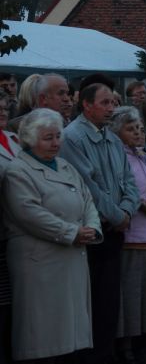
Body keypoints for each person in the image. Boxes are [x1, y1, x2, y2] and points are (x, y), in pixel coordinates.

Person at [3, 108, 103, 363]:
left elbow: (87, 199)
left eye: (58, 136)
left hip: (70, 257)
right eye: (48, 138)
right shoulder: (18, 171)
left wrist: (92, 226)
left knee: (71, 332)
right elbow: (28, 213)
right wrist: (72, 232)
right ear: (31, 139)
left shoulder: (66, 165)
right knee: (44, 333)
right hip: (40, 262)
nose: (56, 143)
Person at [58, 83, 140, 364]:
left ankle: (106, 353)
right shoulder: (73, 138)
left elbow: (128, 180)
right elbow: (88, 186)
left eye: (113, 103)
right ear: (86, 105)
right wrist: (119, 216)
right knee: (90, 301)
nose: (111, 108)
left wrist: (128, 209)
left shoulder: (112, 138)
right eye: (104, 103)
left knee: (109, 300)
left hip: (116, 228)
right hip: (94, 230)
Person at [110, 107, 146, 364]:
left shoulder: (144, 157)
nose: (138, 133)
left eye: (141, 129)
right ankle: (126, 344)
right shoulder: (118, 157)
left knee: (144, 294)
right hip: (131, 234)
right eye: (131, 129)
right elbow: (121, 188)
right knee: (129, 294)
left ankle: (142, 340)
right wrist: (141, 201)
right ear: (117, 132)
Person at [0, 91, 21, 364]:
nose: (3, 112)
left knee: (8, 300)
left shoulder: (15, 139)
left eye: (5, 107)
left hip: (13, 230)